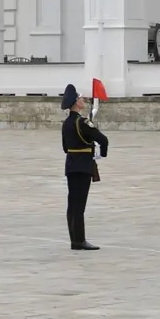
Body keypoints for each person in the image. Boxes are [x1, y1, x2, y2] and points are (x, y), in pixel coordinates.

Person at [61, 83, 109, 251]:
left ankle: (74, 240)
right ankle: (80, 241)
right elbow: (103, 140)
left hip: (71, 165)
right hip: (83, 166)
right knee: (79, 206)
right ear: (76, 102)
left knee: (72, 205)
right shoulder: (82, 122)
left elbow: (65, 148)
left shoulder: (66, 123)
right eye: (81, 98)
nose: (83, 100)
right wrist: (101, 153)